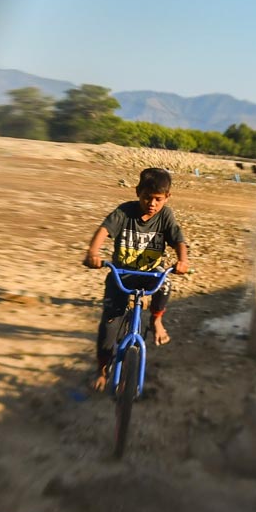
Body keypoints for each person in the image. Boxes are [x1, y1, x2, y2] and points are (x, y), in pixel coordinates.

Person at [82, 166, 190, 390]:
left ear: (167, 198)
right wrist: (93, 253)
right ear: (137, 192)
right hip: (122, 275)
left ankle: (156, 319)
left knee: (165, 282)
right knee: (110, 324)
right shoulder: (124, 212)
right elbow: (104, 230)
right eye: (147, 197)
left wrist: (182, 260)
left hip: (150, 275)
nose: (152, 204)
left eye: (158, 199)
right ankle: (102, 369)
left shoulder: (165, 216)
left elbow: (178, 239)